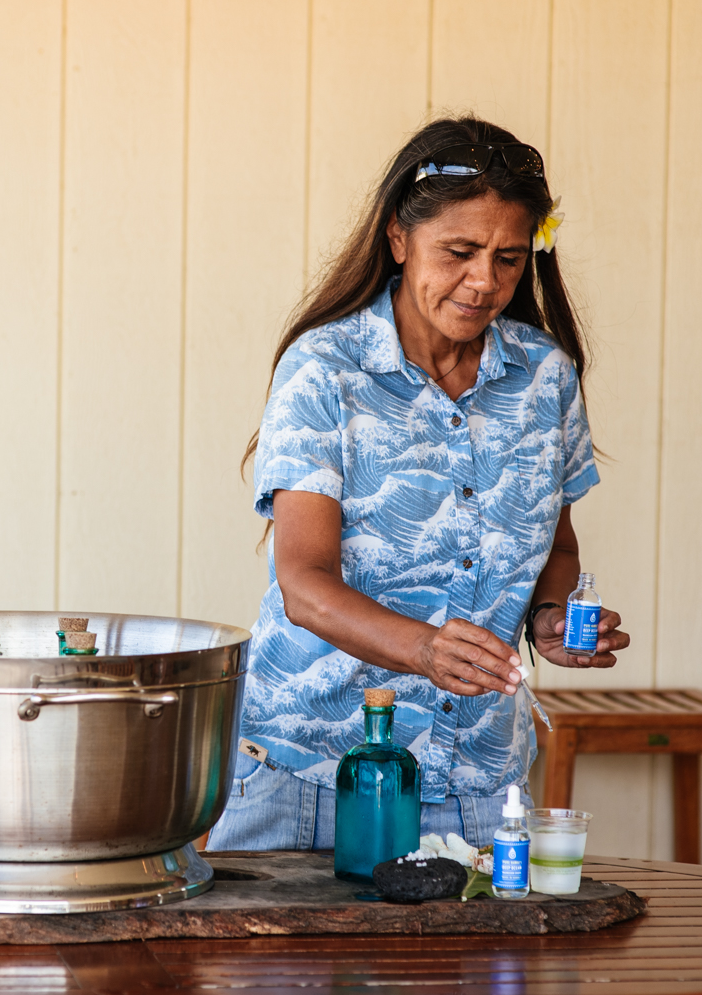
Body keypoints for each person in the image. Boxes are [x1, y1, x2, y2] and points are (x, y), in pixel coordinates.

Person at [208, 116, 630, 853]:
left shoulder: (544, 378)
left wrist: (552, 620)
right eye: (460, 251)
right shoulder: (326, 370)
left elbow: (556, 545)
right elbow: (304, 583)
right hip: (312, 778)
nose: (485, 282)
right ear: (400, 239)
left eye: (507, 257)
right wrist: (425, 649)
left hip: (475, 784)